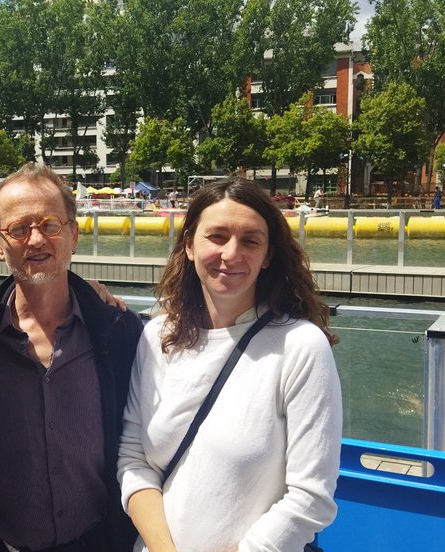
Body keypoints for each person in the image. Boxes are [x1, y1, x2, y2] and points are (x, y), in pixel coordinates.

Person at [118, 177, 343, 552]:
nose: (232, 253)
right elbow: (133, 458)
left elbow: (311, 497)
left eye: (250, 240)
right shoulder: (156, 337)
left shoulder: (300, 346)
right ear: (189, 245)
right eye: (217, 236)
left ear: (269, 255)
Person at [0, 163, 143, 552]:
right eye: (19, 229)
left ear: (73, 234)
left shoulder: (121, 333)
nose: (36, 240)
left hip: (100, 541)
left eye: (50, 225)